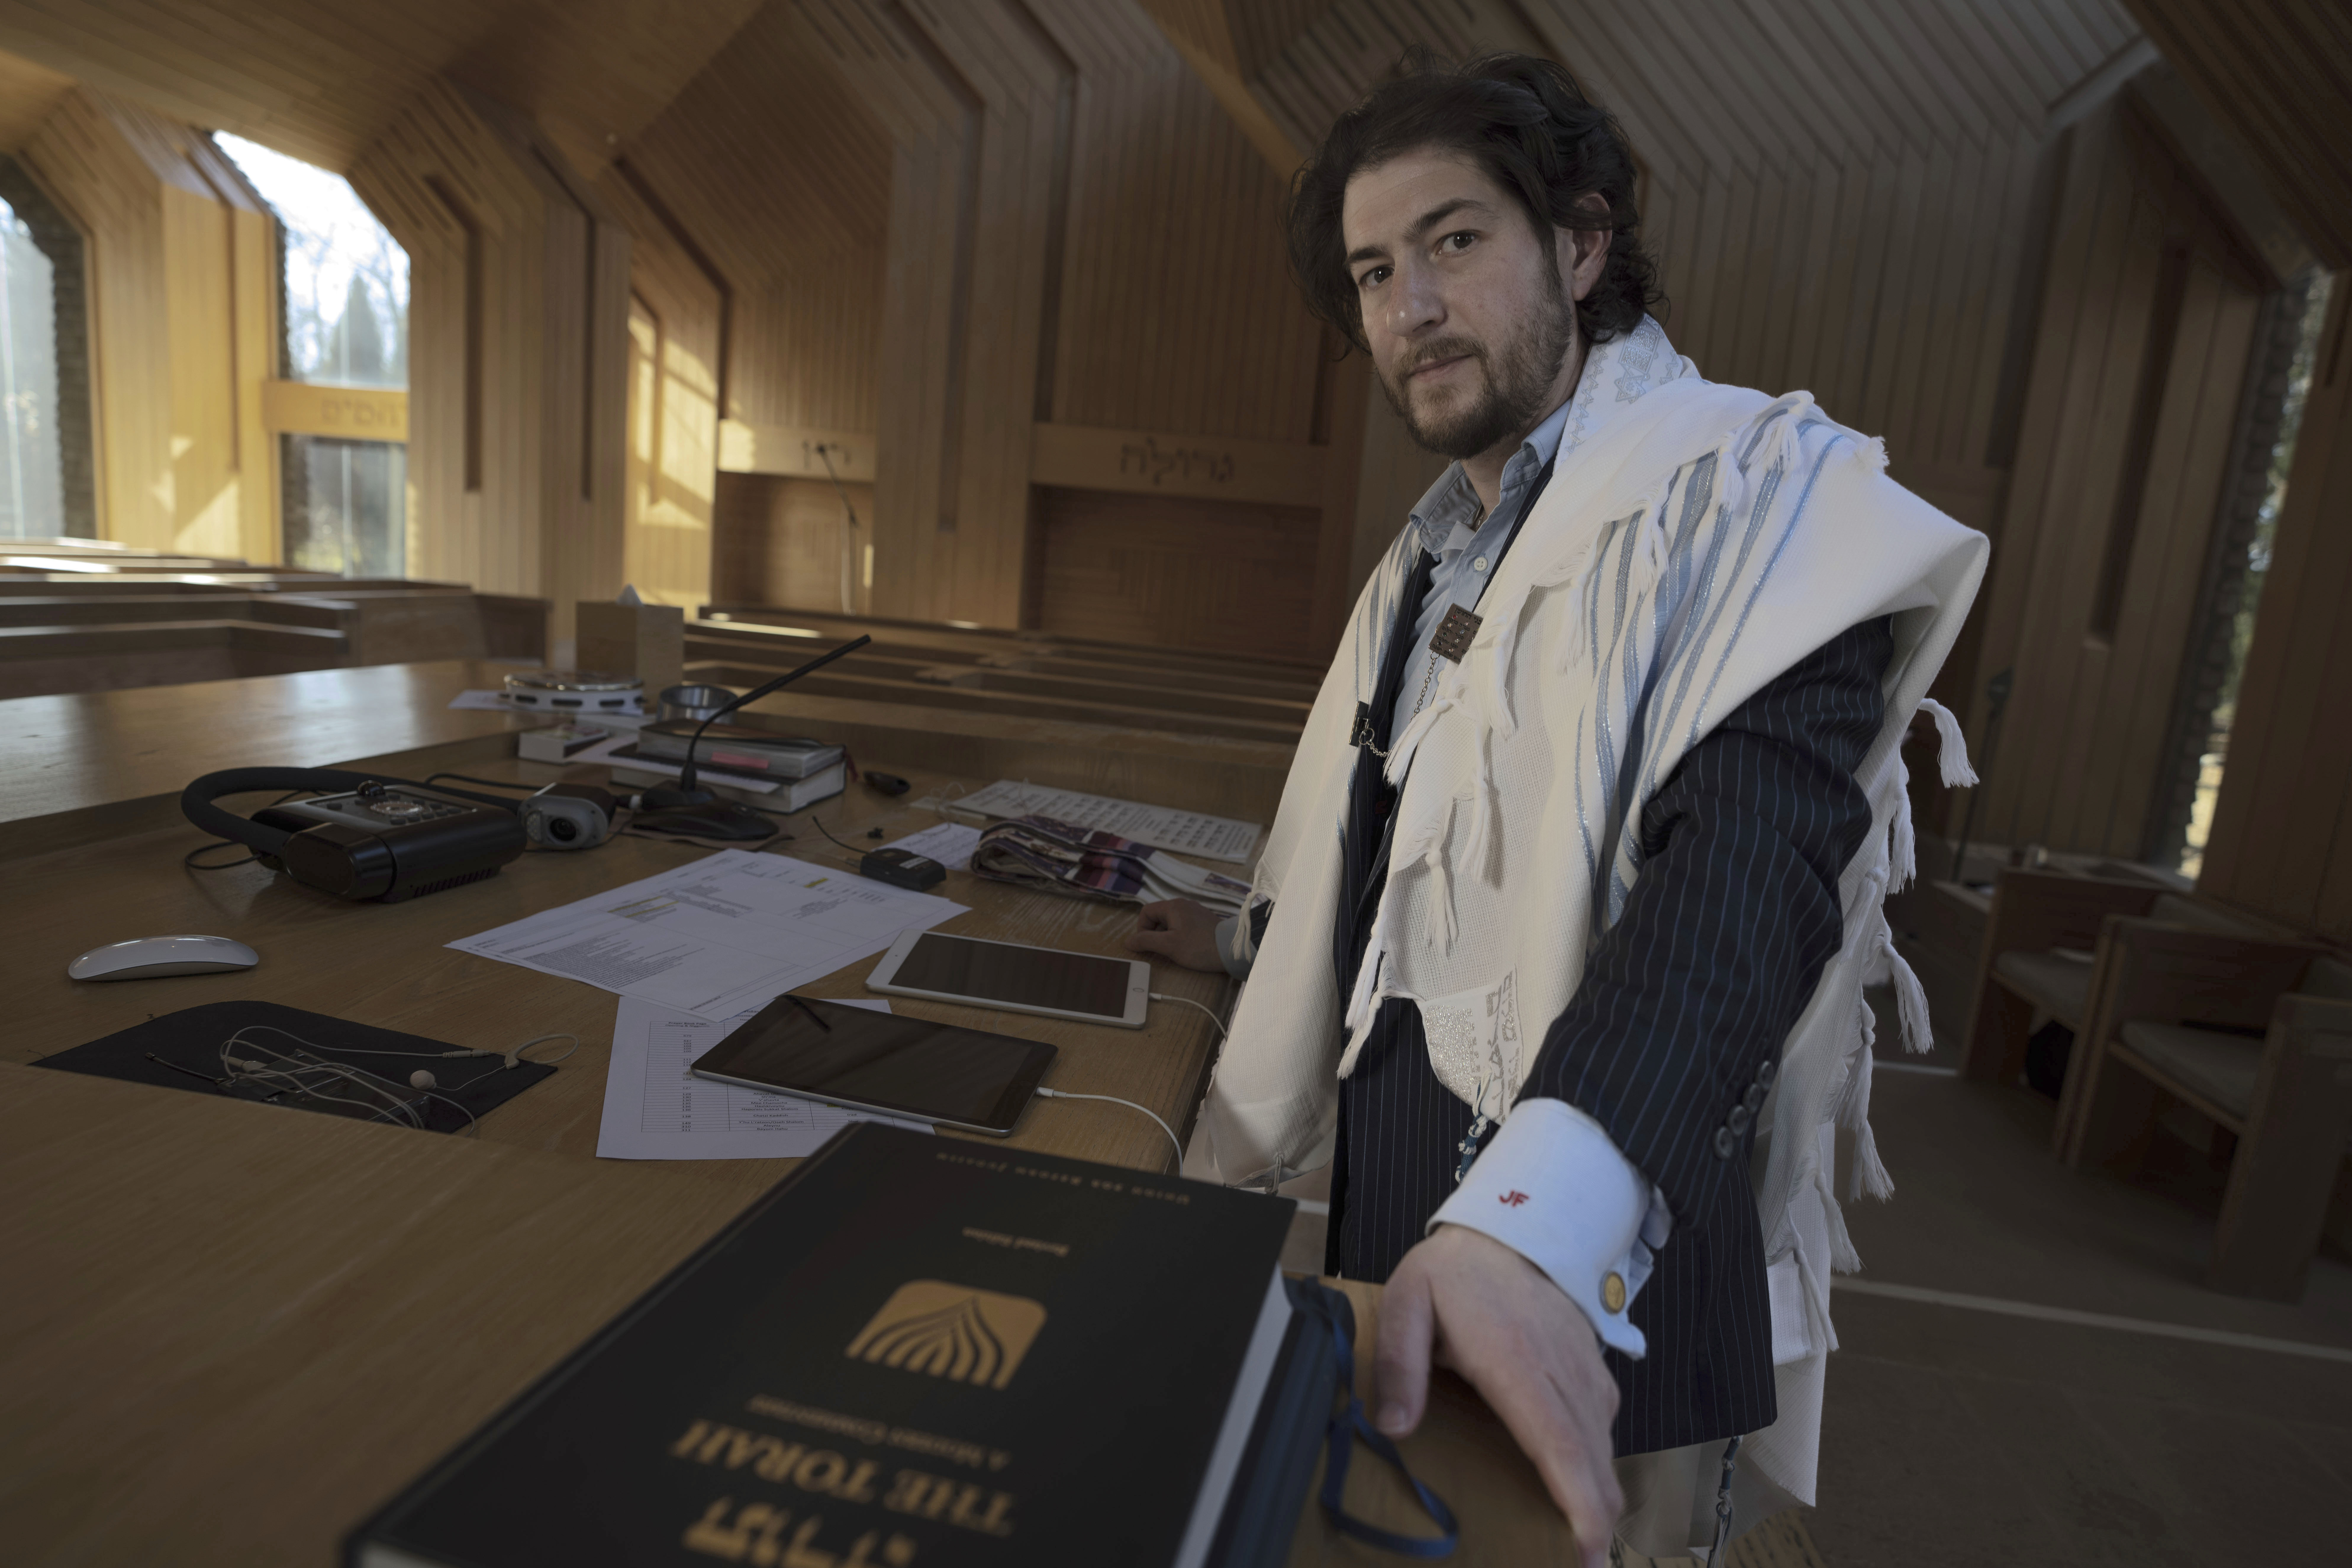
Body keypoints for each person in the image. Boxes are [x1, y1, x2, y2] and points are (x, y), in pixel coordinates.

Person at [1128, 52, 1986, 1564]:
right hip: (1407, 1218)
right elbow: (1410, 853)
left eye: (1454, 240)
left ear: (1582, 245)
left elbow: (1745, 884)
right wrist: (1251, 936)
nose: (1410, 306)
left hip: (1600, 1257)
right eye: (1374, 271)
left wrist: (1532, 1223)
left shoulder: (1754, 491)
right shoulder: (1439, 545)